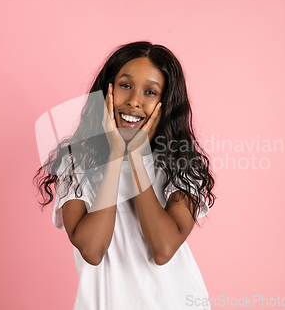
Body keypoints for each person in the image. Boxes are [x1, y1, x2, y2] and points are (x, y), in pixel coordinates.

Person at [33, 41, 216, 309]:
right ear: (107, 89)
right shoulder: (76, 162)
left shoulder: (181, 164)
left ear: (166, 103)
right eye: (125, 85)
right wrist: (116, 158)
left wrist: (138, 160)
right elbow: (92, 250)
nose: (133, 101)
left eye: (150, 91)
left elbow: (163, 249)